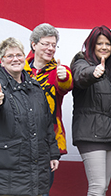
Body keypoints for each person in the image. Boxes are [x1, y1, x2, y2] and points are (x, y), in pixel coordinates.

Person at [0, 37, 60, 195]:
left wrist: (53, 153)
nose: (15, 59)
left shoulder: (35, 87)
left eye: (19, 55)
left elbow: (46, 123)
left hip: (33, 168)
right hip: (4, 169)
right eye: (10, 56)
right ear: (2, 60)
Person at [70, 25, 111, 196]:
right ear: (91, 45)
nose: (104, 47)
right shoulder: (81, 63)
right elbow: (81, 76)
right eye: (99, 43)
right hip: (91, 135)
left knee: (104, 187)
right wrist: (94, 74)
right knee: (97, 187)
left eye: (108, 44)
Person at [25, 23, 73, 193]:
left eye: (53, 45)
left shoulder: (58, 70)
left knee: (42, 189)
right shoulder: (20, 70)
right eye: (46, 44)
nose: (50, 48)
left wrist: (63, 77)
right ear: (34, 44)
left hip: (47, 140)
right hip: (20, 140)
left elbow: (65, 85)